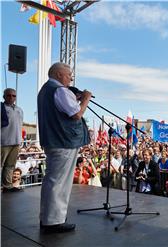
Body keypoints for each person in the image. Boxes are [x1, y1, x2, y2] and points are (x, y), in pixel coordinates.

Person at [38, 62, 92, 233]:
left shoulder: (46, 90)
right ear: (59, 75)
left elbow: (63, 108)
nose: (71, 77)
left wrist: (74, 99)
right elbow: (76, 114)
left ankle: (49, 217)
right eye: (69, 74)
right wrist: (86, 99)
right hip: (63, 142)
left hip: (55, 141)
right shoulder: (59, 90)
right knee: (59, 182)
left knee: (53, 180)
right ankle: (54, 221)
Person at [1, 88, 23, 192]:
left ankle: (7, 186)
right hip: (3, 142)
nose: (11, 97)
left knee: (10, 165)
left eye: (13, 96)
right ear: (4, 96)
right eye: (9, 95)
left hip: (16, 142)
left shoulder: (19, 110)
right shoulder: (1, 108)